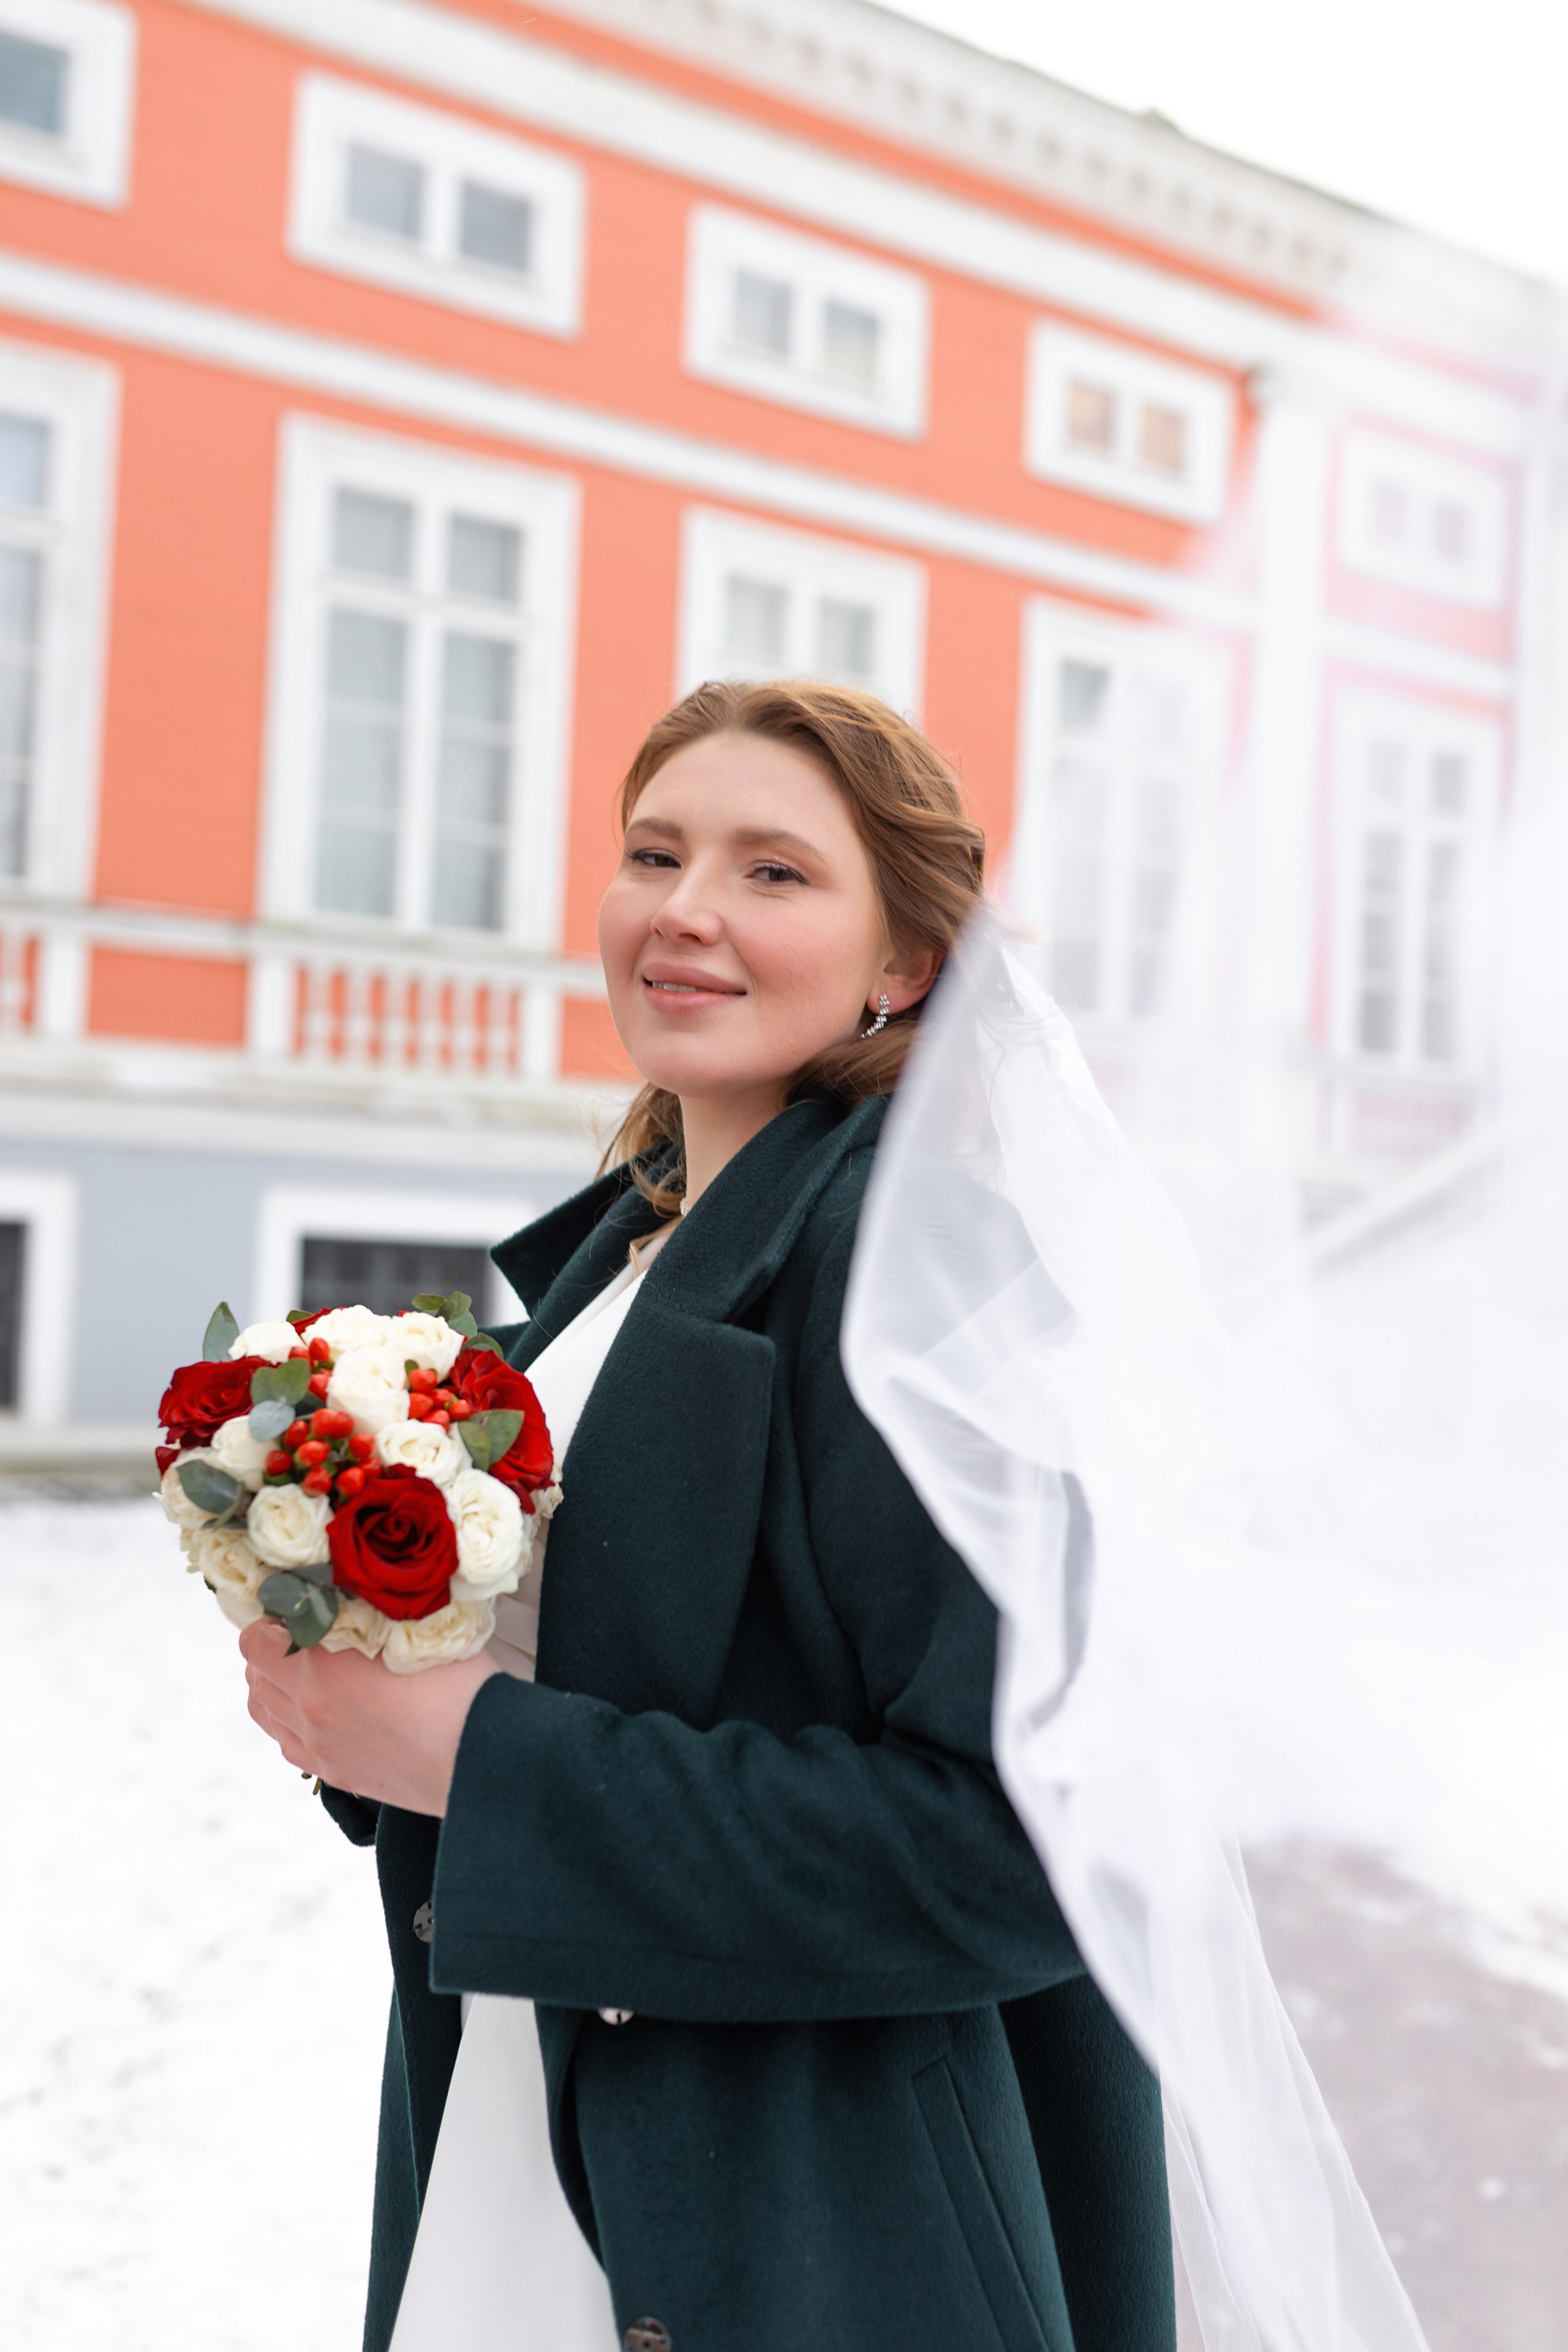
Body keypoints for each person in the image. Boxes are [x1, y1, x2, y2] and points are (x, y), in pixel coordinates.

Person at [239, 680, 1177, 2352]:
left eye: (773, 873)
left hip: (806, 2212)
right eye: (655, 852)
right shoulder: (625, 1254)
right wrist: (352, 1666)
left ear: (908, 967)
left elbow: (1020, 1853)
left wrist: (477, 1755)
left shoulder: (932, 1283)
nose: (684, 909)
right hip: (524, 2114)